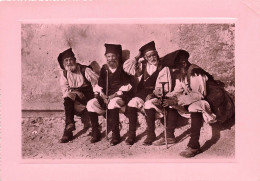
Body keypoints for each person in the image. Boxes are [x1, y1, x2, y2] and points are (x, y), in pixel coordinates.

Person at [152, 49, 235, 157]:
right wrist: (166, 98)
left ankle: (194, 145)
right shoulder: (181, 73)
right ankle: (169, 136)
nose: (173, 72)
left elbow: (198, 95)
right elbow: (178, 90)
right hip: (200, 99)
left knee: (194, 107)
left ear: (183, 63)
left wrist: (176, 100)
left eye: (174, 68)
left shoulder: (195, 73)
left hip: (216, 102)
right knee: (170, 103)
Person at [87, 44, 133, 146]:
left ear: (117, 56)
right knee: (90, 104)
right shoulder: (104, 68)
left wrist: (113, 95)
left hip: (120, 96)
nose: (110, 59)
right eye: (108, 56)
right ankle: (96, 132)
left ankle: (116, 135)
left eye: (113, 56)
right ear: (106, 57)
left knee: (112, 103)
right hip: (106, 96)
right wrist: (103, 96)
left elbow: (127, 86)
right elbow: (100, 85)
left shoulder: (122, 68)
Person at [123, 41, 164, 145]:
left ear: (157, 54)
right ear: (145, 57)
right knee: (132, 104)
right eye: (149, 56)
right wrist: (137, 57)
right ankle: (132, 134)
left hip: (158, 91)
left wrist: (154, 94)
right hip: (144, 91)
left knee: (148, 105)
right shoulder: (144, 65)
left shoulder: (163, 65)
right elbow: (127, 69)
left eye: (153, 55)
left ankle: (151, 134)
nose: (152, 58)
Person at [58, 48, 99, 143]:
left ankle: (95, 131)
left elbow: (96, 83)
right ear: (64, 64)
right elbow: (65, 91)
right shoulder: (64, 74)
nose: (69, 62)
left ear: (75, 60)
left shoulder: (85, 70)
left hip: (89, 98)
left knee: (86, 102)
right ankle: (69, 127)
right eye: (66, 61)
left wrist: (96, 97)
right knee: (68, 97)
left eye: (71, 59)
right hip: (77, 101)